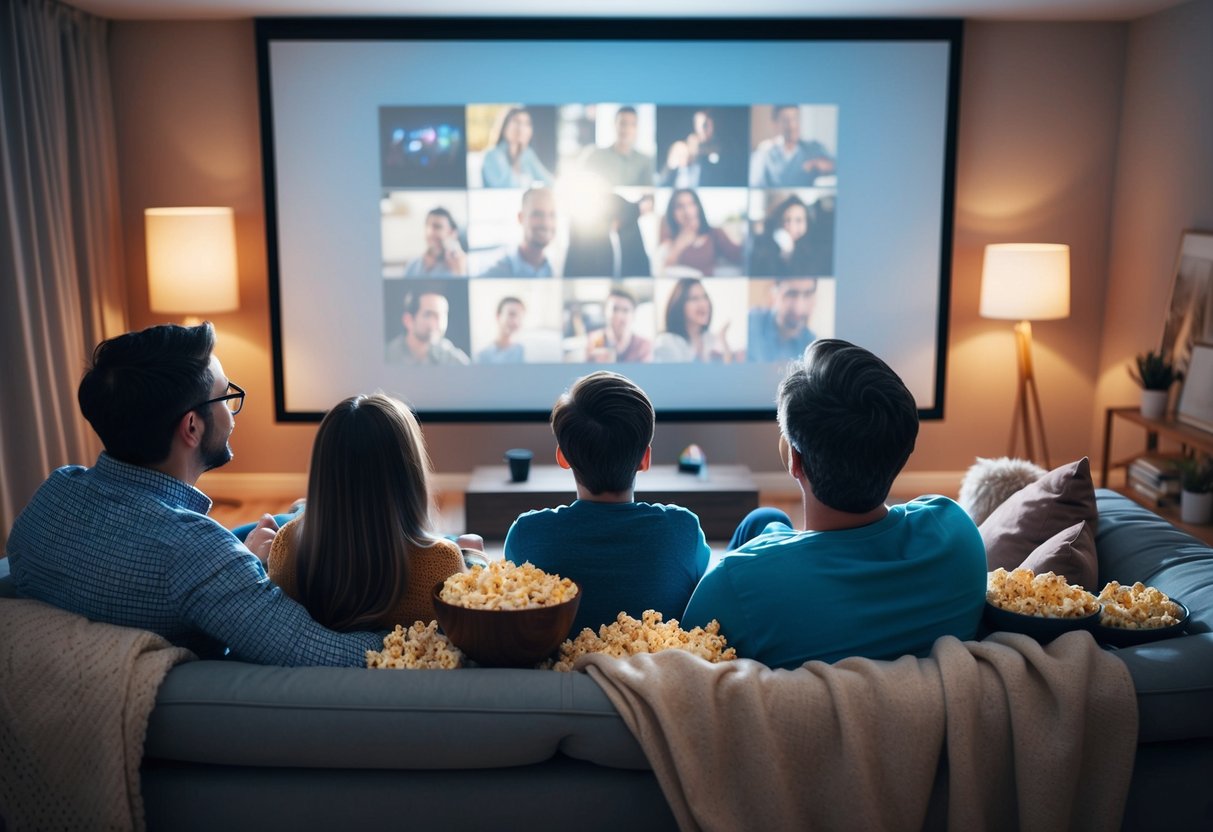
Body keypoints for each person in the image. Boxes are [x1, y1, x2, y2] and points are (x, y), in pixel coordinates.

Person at [5, 323, 384, 665]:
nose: (232, 414)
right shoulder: (195, 552)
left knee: (282, 523)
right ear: (191, 426)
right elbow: (323, 650)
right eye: (225, 398)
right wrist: (436, 637)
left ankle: (303, 514)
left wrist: (238, 563)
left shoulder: (53, 494)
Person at [682, 339, 986, 669]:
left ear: (793, 460)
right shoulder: (958, 534)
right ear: (903, 450)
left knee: (764, 522)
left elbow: (684, 657)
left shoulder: (733, 585)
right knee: (767, 521)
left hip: (776, 584)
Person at [503, 371, 710, 636]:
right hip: (654, 667)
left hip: (565, 670)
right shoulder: (683, 530)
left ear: (563, 457)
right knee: (760, 523)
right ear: (645, 459)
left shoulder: (526, 534)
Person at [266, 393, 467, 631]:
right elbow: (472, 614)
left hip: (307, 530)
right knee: (468, 542)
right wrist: (476, 561)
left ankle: (305, 508)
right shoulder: (443, 563)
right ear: (411, 476)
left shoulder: (286, 546)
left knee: (287, 518)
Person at [654, 189, 742, 277]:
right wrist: (679, 244)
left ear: (698, 207)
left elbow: (739, 256)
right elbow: (662, 272)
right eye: (680, 206)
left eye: (691, 204)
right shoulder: (668, 239)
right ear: (673, 213)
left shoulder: (714, 233)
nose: (687, 211)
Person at [749, 104, 836, 188]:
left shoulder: (814, 149)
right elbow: (755, 182)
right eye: (785, 120)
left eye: (795, 119)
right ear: (775, 124)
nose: (792, 126)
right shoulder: (765, 154)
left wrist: (824, 165)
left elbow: (839, 168)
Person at [480, 187, 558, 277]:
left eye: (552, 215)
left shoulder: (557, 273)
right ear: (521, 218)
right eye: (537, 214)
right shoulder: (495, 274)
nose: (546, 223)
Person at [748, 194, 831, 277]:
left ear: (807, 222)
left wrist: (790, 253)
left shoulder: (818, 251)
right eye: (787, 220)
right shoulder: (767, 246)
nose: (792, 227)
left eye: (798, 220)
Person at [653, 277, 733, 363]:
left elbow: (725, 373)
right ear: (680, 305)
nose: (703, 304)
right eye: (694, 298)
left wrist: (723, 340)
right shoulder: (666, 342)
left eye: (705, 297)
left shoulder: (710, 339)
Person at [385, 289, 471, 365]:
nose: (440, 323)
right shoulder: (387, 356)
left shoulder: (452, 357)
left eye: (443, 315)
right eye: (429, 315)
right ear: (408, 320)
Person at [746, 277, 819, 363]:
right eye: (791, 294)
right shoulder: (751, 322)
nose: (799, 307)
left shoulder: (812, 344)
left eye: (808, 294)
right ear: (774, 293)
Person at [481, 107, 555, 189]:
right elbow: (507, 187)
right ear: (504, 126)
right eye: (516, 121)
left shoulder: (527, 154)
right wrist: (515, 151)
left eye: (527, 123)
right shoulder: (493, 155)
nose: (521, 128)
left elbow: (549, 182)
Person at [583, 106, 655, 187]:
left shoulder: (645, 162)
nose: (627, 129)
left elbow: (649, 193)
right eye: (623, 123)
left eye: (632, 124)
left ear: (637, 128)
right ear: (615, 124)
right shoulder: (595, 156)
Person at [587, 288, 652, 363]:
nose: (619, 316)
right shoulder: (594, 341)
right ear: (605, 311)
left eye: (625, 310)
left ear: (633, 314)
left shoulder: (643, 346)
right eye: (615, 309)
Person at [403, 207, 467, 277]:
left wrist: (460, 272)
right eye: (427, 226)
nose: (430, 232)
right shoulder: (413, 265)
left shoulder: (458, 266)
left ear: (452, 233)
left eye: (437, 227)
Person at [477, 296, 526, 363]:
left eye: (520, 317)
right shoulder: (483, 356)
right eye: (511, 314)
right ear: (498, 316)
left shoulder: (523, 352)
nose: (516, 322)